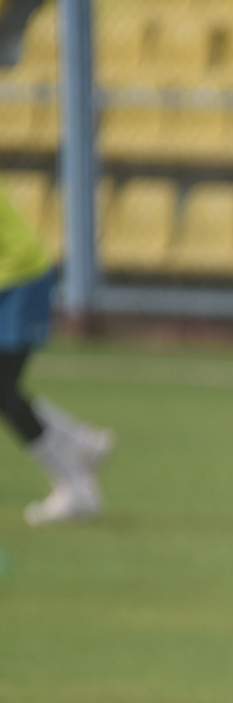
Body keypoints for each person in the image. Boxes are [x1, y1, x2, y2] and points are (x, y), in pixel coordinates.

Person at [0, 176, 112, 525]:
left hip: (20, 278)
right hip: (13, 279)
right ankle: (78, 443)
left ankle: (75, 485)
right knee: (4, 390)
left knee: (3, 390)